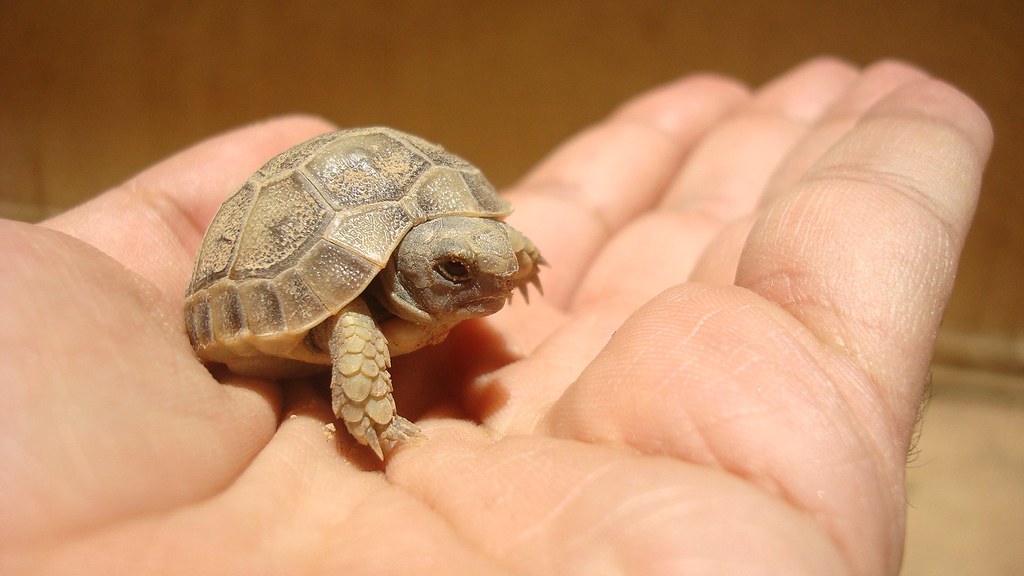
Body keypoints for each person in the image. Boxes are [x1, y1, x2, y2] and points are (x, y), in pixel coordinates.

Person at [0, 58, 992, 575]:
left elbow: (492, 244)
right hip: (294, 274)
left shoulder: (462, 245)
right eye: (461, 273)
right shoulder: (355, 322)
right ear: (417, 275)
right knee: (354, 331)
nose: (492, 280)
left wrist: (493, 256)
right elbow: (357, 331)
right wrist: (379, 423)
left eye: (485, 265)